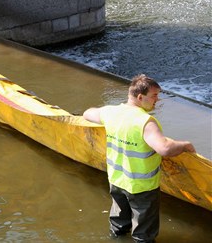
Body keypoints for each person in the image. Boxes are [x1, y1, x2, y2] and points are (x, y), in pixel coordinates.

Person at [82, 74, 195, 243]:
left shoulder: (111, 112)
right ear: (140, 97)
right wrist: (185, 145)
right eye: (154, 96)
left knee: (118, 224)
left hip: (116, 180)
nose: (157, 100)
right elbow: (164, 148)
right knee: (144, 235)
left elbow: (87, 113)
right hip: (141, 187)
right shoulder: (145, 122)